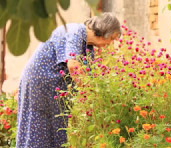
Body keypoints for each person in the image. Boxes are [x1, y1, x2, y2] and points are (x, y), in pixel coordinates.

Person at [16, 12, 121, 147]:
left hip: (54, 91)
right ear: (104, 31)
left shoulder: (88, 46)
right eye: (111, 38)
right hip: (39, 85)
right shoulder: (75, 32)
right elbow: (73, 66)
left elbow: (89, 76)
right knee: (37, 128)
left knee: (56, 130)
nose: (110, 43)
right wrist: (90, 95)